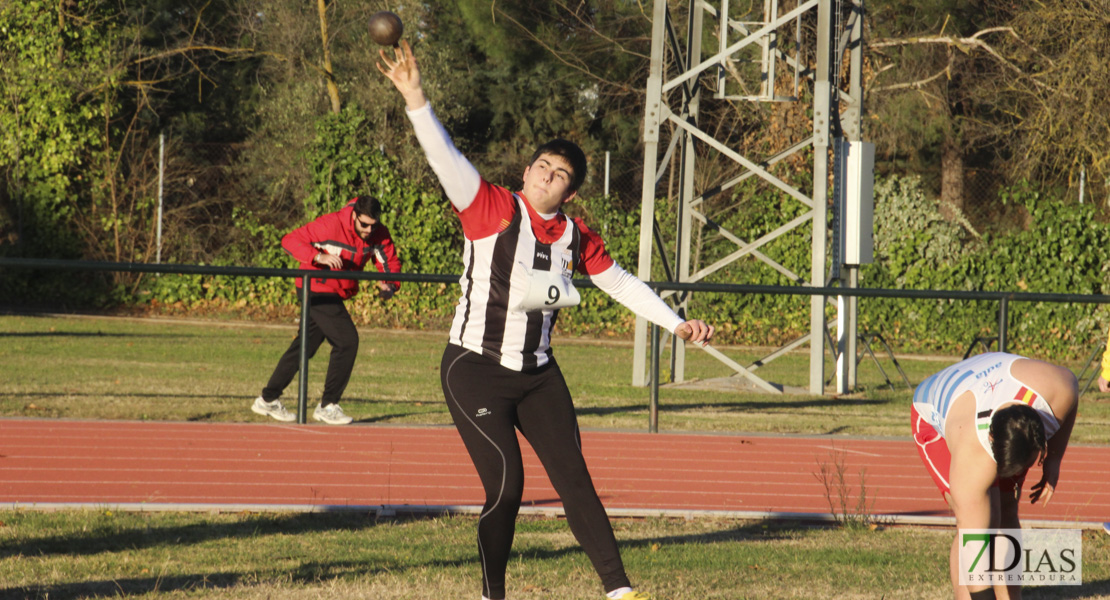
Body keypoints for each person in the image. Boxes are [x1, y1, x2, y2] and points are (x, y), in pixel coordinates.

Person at [377, 41, 713, 600]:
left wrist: (674, 322)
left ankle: (620, 591)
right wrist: (415, 96)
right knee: (507, 488)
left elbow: (621, 283)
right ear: (527, 170)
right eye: (541, 166)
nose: (546, 176)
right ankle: (493, 593)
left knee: (575, 480)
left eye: (559, 175)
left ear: (570, 191)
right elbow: (445, 156)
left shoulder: (577, 237)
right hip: (475, 367)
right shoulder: (490, 207)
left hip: (538, 376)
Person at [911, 352, 1078, 600]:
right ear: (993, 442)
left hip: (995, 382)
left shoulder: (1058, 392)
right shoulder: (972, 455)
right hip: (934, 412)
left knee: (1007, 509)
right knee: (977, 522)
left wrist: (1053, 460)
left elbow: (1073, 393)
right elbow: (973, 540)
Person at [251, 195, 401, 425]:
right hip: (315, 287)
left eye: (373, 225)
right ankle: (328, 405)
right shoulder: (330, 224)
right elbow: (290, 240)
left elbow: (388, 262)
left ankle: (267, 399)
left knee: (304, 347)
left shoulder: (378, 232)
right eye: (364, 225)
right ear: (354, 216)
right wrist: (318, 256)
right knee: (347, 341)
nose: (369, 230)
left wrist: (390, 285)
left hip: (336, 292)